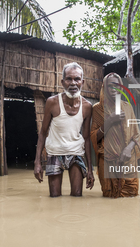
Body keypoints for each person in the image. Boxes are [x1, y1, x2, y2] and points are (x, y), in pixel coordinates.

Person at [34, 62, 95, 197]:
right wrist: (37, 162)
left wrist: (90, 169)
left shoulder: (87, 106)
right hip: (55, 152)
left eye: (77, 79)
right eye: (69, 79)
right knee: (54, 197)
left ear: (82, 82)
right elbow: (43, 133)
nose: (73, 83)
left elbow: (86, 138)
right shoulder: (52, 102)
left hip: (76, 153)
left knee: (77, 196)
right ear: (63, 82)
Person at [90, 73, 140, 198]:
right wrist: (110, 121)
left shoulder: (127, 107)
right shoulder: (98, 109)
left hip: (128, 160)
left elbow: (136, 134)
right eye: (110, 86)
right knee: (109, 196)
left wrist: (128, 149)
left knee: (132, 195)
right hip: (107, 161)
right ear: (104, 88)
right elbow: (93, 136)